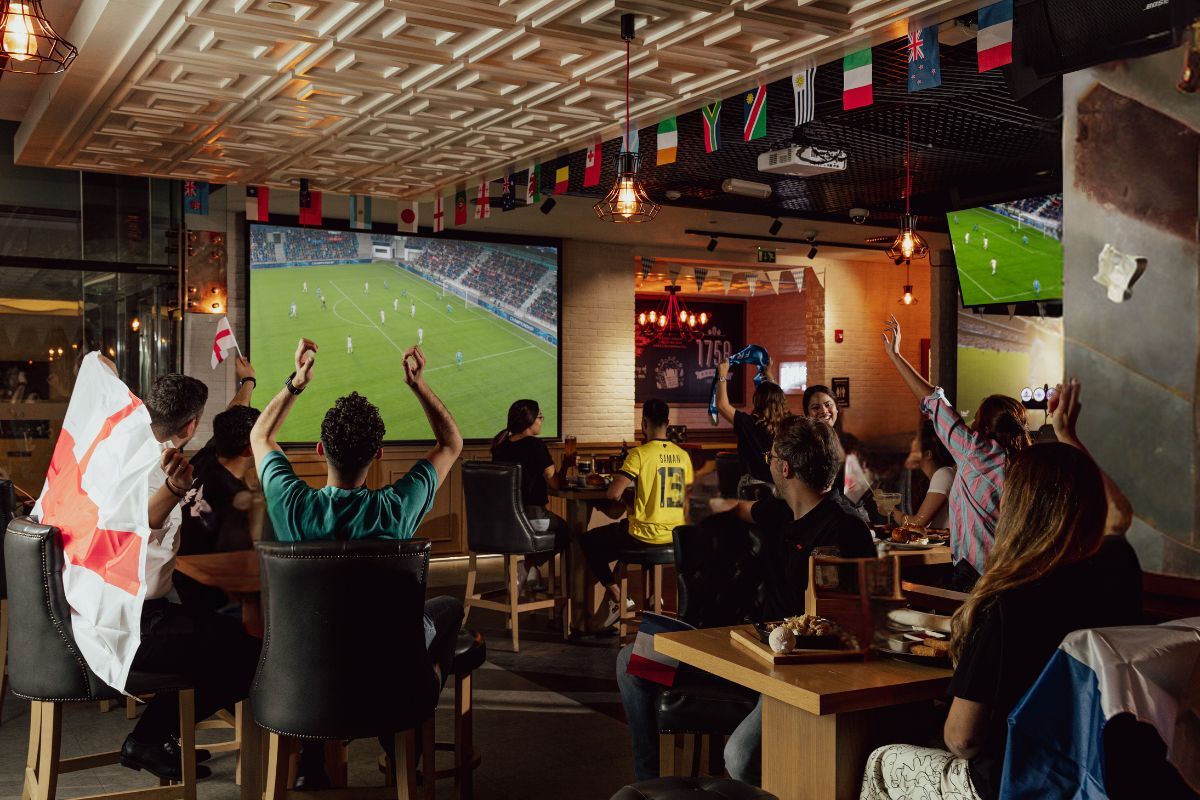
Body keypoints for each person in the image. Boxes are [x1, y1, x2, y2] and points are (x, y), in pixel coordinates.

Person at [859, 382, 1136, 800]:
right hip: (1094, 772)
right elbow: (1119, 517)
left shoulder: (1008, 599)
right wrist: (1068, 436)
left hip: (1010, 781)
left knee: (881, 760)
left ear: (1017, 508)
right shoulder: (1118, 573)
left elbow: (962, 739)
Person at [250, 339, 464, 789]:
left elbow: (260, 436)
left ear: (320, 448)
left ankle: (312, 754)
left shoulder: (292, 505)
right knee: (448, 609)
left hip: (301, 676)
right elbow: (451, 442)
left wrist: (297, 382)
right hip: (386, 671)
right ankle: (410, 709)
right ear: (379, 454)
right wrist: (417, 385)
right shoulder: (396, 508)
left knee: (315, 631)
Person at [616, 415, 874, 784]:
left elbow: (849, 628)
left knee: (739, 756)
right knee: (634, 661)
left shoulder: (845, 530)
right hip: (741, 646)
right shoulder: (782, 509)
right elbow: (737, 508)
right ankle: (649, 787)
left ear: (784, 467)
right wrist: (699, 507)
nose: (767, 461)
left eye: (770, 455)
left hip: (792, 671)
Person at [114, 368, 260, 782]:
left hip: (113, 613)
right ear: (192, 424)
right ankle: (150, 736)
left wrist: (246, 384)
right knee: (249, 652)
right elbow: (144, 523)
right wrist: (176, 491)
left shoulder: (124, 447)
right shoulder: (162, 471)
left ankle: (161, 737)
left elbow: (222, 437)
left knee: (220, 633)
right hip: (137, 627)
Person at [882, 315, 1030, 591]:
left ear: (985, 426)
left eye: (975, 420)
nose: (970, 424)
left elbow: (934, 402)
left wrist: (896, 357)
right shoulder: (1024, 463)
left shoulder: (976, 452)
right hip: (1012, 573)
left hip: (975, 572)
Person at [581, 399, 693, 628]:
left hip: (645, 535)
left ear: (643, 423)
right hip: (675, 537)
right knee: (636, 542)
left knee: (588, 540)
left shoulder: (639, 454)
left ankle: (616, 596)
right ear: (668, 423)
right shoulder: (683, 455)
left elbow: (613, 494)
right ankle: (654, 603)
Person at [176, 358, 260, 608]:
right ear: (249, 448)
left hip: (178, 586)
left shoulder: (203, 461)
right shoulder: (239, 503)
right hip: (209, 604)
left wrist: (248, 381)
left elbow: (229, 417)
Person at [491, 399, 569, 591]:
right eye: (540, 416)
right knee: (569, 532)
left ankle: (532, 571)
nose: (542, 420)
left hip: (505, 522)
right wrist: (567, 463)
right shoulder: (535, 446)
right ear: (530, 419)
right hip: (532, 518)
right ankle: (529, 564)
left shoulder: (500, 446)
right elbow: (555, 483)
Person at [713, 358, 786, 495]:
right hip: (781, 488)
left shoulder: (749, 424)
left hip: (754, 487)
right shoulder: (787, 424)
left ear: (757, 400)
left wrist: (722, 374)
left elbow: (722, 405)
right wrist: (768, 373)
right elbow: (776, 395)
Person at [893, 420, 956, 530]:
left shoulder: (944, 474)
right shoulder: (941, 474)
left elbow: (917, 523)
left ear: (927, 454)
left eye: (914, 447)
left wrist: (891, 511)